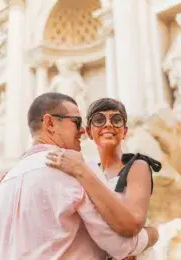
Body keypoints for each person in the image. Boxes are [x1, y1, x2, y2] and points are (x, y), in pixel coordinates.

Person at [0, 93, 158, 260]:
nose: (81, 130)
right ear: (50, 123)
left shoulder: (3, 185)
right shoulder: (73, 168)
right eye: (76, 122)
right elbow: (118, 244)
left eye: (116, 120)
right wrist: (152, 235)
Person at [46, 98, 162, 259]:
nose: (108, 124)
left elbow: (133, 224)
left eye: (116, 120)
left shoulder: (137, 166)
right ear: (88, 132)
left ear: (125, 131)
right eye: (99, 120)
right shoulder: (91, 169)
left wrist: (80, 170)